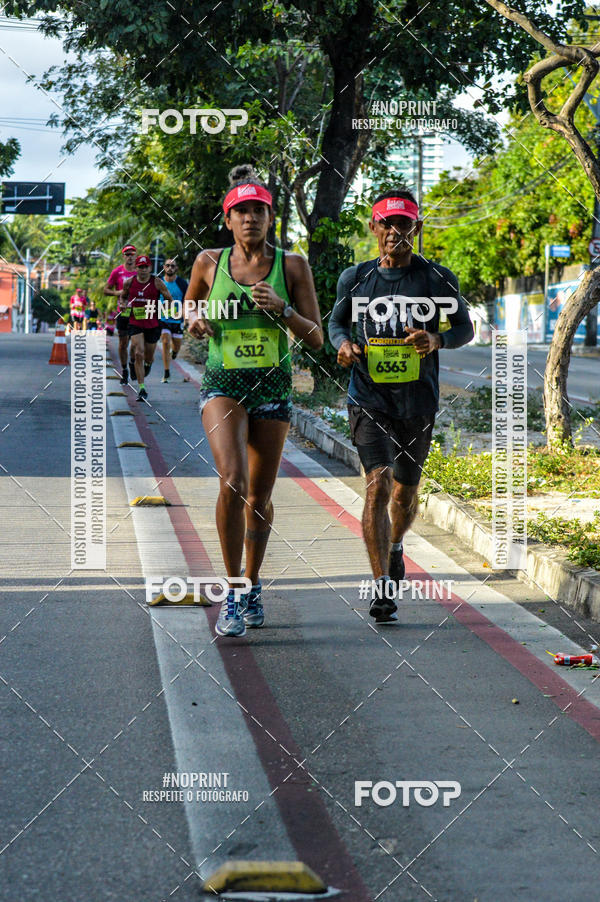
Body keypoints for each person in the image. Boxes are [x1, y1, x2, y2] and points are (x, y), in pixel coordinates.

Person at [186, 164, 323, 638]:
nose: (250, 219)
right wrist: (196, 320)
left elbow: (318, 337)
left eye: (258, 210)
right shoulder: (209, 262)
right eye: (240, 211)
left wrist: (283, 311)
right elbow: (189, 306)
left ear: (271, 217)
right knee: (232, 480)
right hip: (223, 383)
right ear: (227, 220)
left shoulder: (292, 266)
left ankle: (251, 582)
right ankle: (230, 591)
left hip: (273, 388)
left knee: (260, 497)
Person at [328, 189, 474, 623]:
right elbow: (336, 323)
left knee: (406, 491)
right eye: (387, 224)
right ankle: (381, 588)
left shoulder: (436, 279)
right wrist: (344, 345)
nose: (395, 232)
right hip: (368, 397)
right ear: (373, 228)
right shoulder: (354, 278)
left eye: (404, 224)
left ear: (417, 229)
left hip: (418, 401)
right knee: (378, 483)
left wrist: (437, 339)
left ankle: (395, 546)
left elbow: (465, 328)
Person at [120, 254, 174, 402]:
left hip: (153, 324)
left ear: (150, 268)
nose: (143, 270)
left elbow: (169, 299)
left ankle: (147, 365)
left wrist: (163, 309)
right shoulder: (129, 282)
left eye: (146, 267)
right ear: (136, 268)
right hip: (135, 321)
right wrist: (123, 304)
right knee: (138, 352)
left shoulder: (157, 282)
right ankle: (142, 388)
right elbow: (123, 297)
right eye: (140, 267)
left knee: (148, 357)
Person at [104, 244, 137, 384]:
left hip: (138, 313)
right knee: (123, 343)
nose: (129, 257)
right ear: (123, 256)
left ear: (136, 256)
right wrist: (118, 292)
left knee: (136, 343)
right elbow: (106, 290)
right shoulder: (117, 272)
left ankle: (133, 362)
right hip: (123, 311)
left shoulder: (141, 272)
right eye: (127, 254)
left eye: (132, 254)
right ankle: (124, 370)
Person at [159, 258, 188, 382]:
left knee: (176, 346)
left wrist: (185, 316)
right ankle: (166, 373)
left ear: (176, 268)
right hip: (164, 319)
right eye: (167, 265)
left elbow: (188, 300)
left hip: (177, 320)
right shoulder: (159, 282)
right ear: (164, 267)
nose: (170, 268)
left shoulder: (182, 283)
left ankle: (175, 352)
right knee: (165, 341)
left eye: (172, 266)